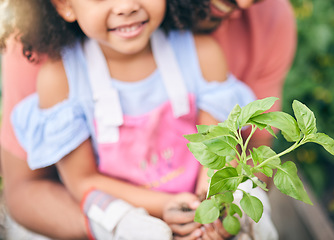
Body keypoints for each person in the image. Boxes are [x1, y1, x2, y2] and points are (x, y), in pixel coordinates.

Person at [0, 0, 296, 239]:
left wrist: (213, 203)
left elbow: (221, 149)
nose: (126, 5)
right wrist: (157, 212)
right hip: (127, 217)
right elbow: (83, 181)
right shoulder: (60, 80)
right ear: (64, 5)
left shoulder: (202, 54)